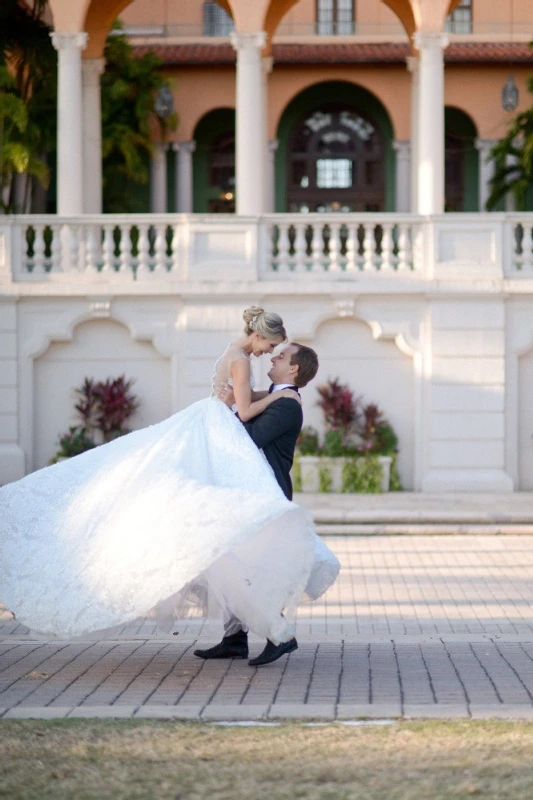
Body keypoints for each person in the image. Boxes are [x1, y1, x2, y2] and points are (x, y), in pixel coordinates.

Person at [0, 307, 337, 649]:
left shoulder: (241, 358)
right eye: (271, 346)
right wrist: (274, 394)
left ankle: (247, 634)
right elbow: (246, 409)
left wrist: (271, 396)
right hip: (219, 430)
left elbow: (245, 407)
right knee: (222, 545)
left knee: (228, 548)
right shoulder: (245, 363)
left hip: (222, 433)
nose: (269, 355)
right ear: (259, 336)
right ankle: (241, 636)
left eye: (277, 353)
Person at [194, 341, 339, 666]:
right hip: (249, 493)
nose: (273, 356)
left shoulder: (287, 404)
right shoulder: (274, 396)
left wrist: (232, 407)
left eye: (282, 355)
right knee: (231, 560)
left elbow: (249, 439)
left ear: (294, 369)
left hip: (265, 497)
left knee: (253, 568)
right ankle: (234, 639)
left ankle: (280, 635)